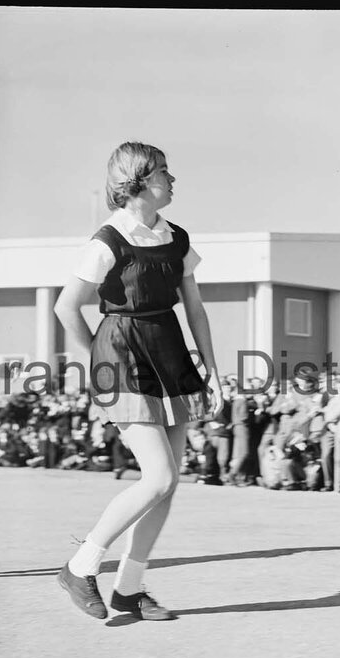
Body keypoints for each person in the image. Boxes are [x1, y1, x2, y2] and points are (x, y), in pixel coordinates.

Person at [53, 142, 223, 621]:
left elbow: (194, 308)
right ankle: (80, 565)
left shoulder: (177, 238)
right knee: (159, 476)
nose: (173, 180)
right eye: (165, 172)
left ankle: (129, 588)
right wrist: (99, 361)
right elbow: (66, 307)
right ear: (140, 181)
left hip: (169, 355)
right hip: (121, 357)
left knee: (167, 485)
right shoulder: (107, 240)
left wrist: (212, 369)